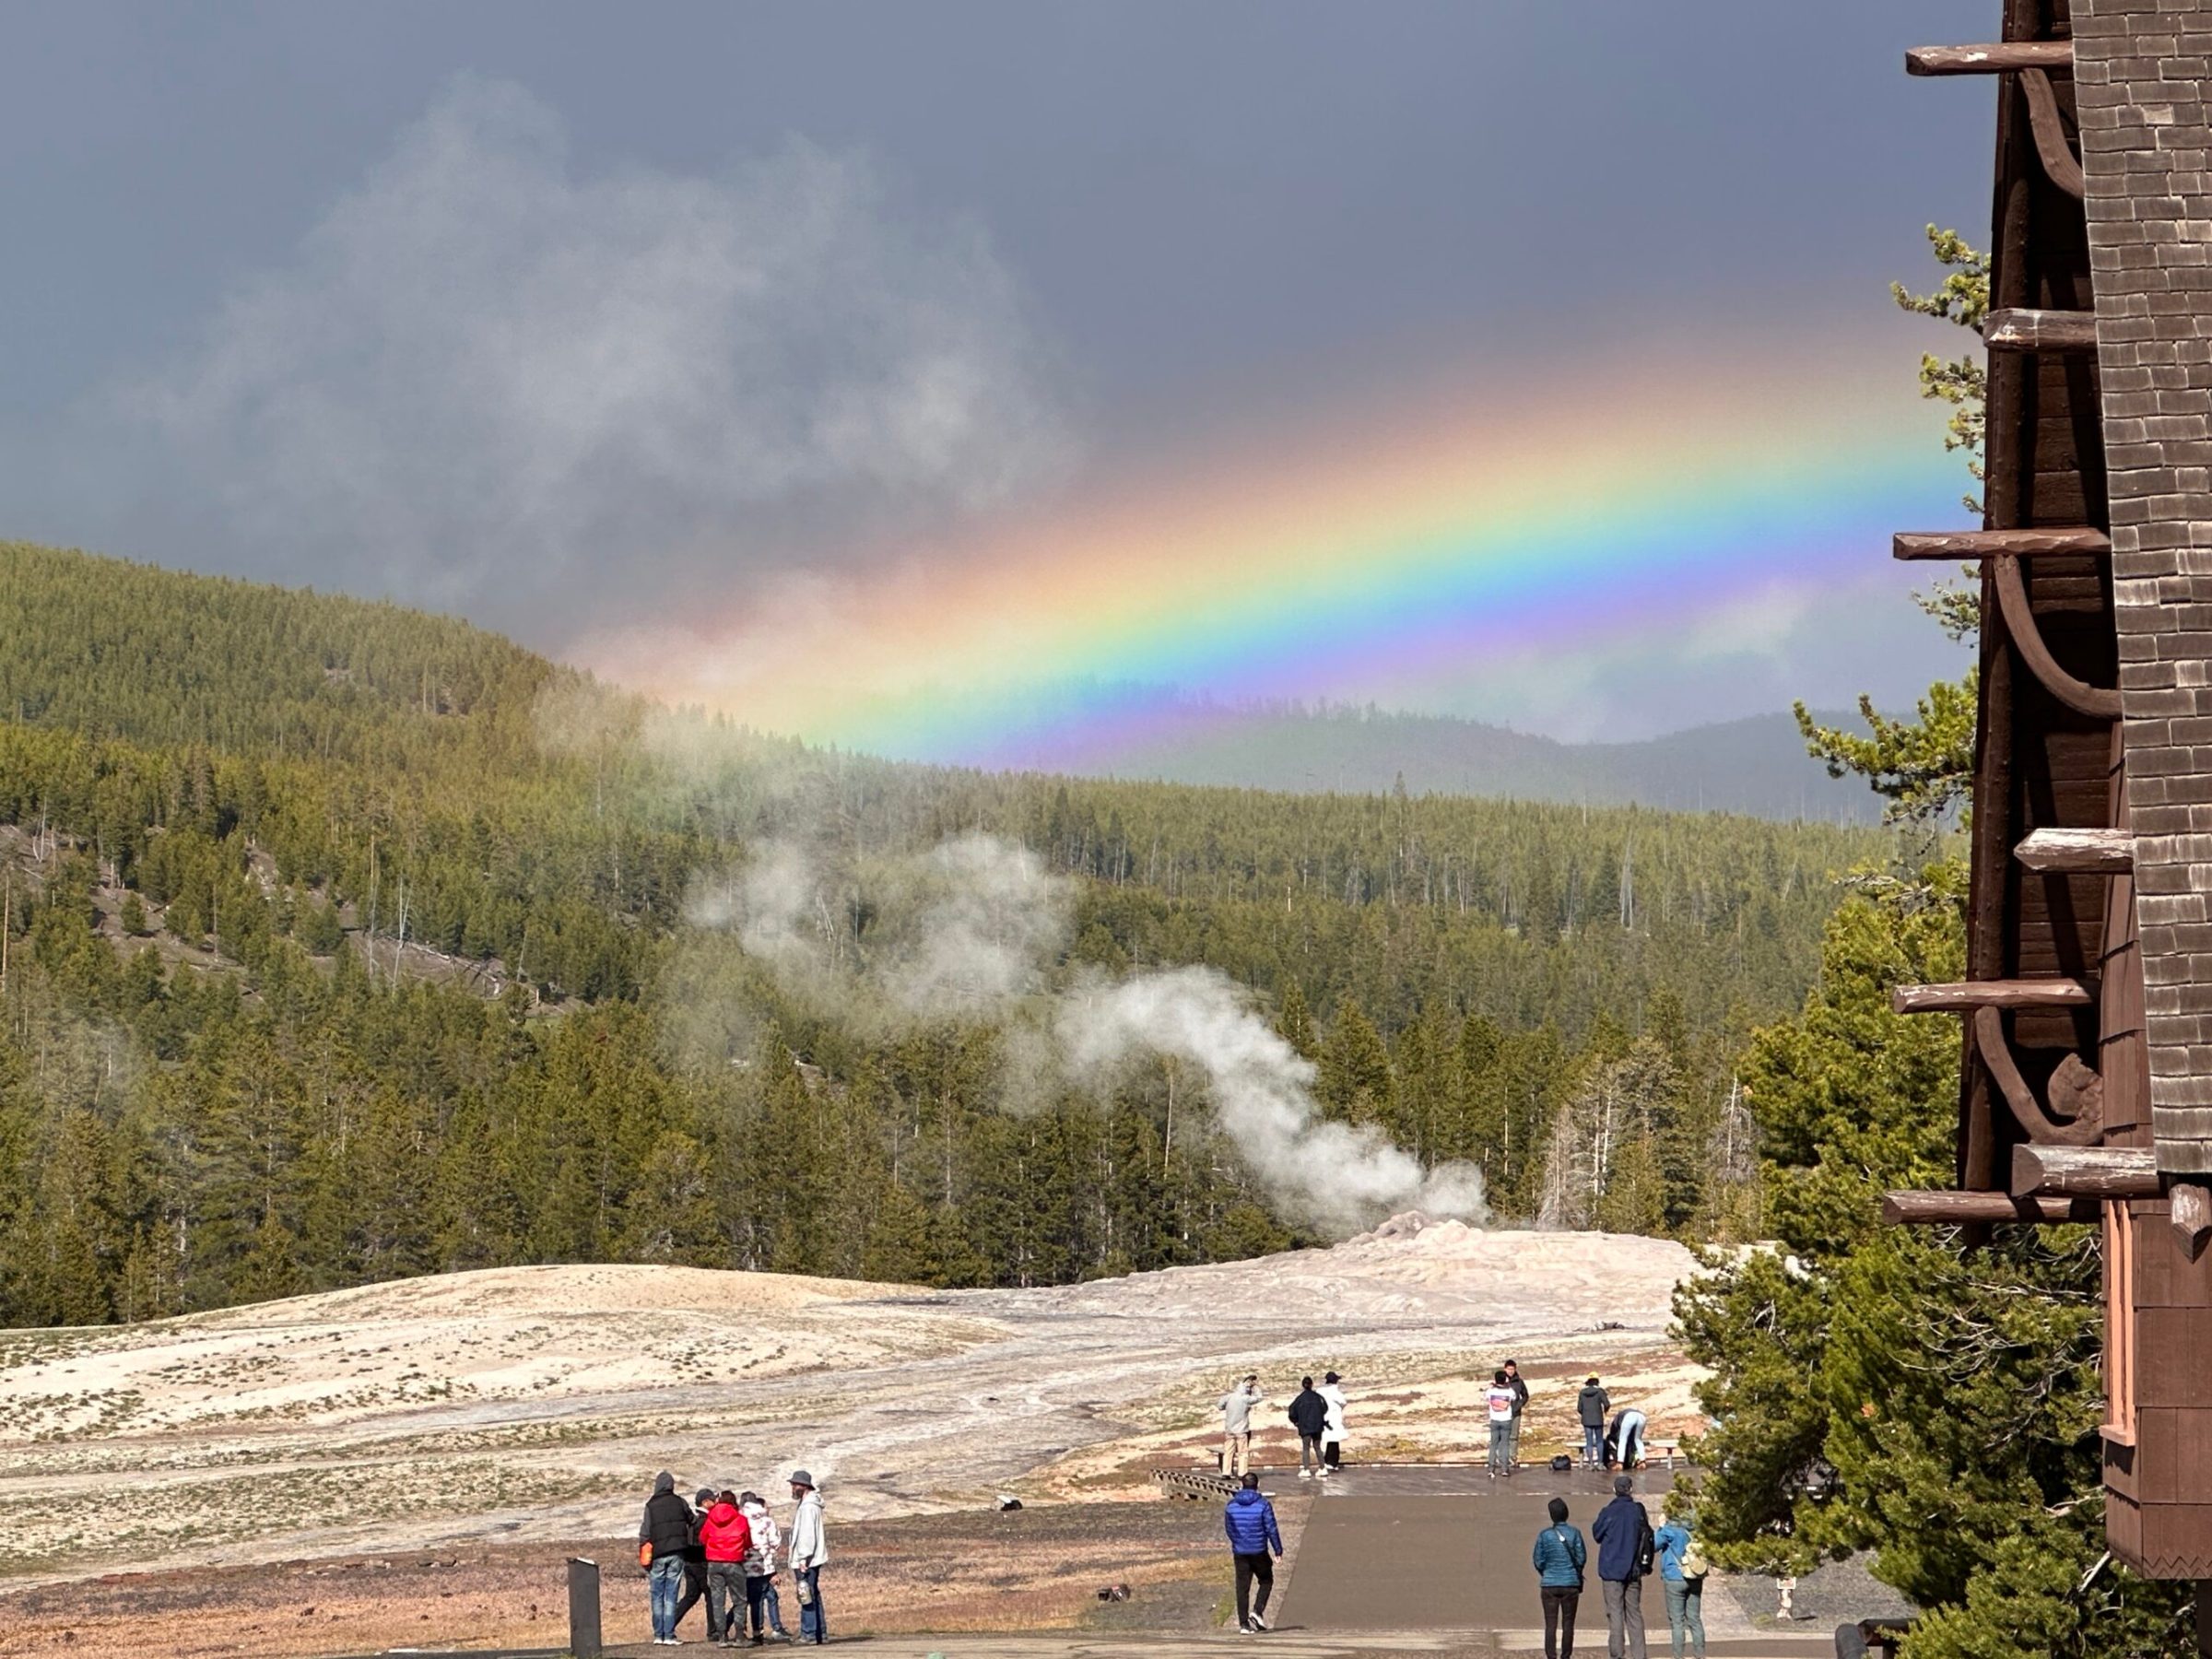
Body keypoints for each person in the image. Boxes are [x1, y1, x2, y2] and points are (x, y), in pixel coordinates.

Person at [1592, 1473, 1652, 1659]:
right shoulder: (1637, 1511)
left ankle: (1617, 1654)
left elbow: (1597, 1534)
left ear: (1614, 1491)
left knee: (1615, 1613)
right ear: (1631, 1489)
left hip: (1611, 1570)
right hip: (1634, 1569)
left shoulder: (1608, 1512)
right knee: (1634, 1613)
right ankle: (1639, 1655)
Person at [1222, 1471, 1285, 1633]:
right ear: (1257, 1485)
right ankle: (1257, 1611)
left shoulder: (1231, 1505)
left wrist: (1237, 1541)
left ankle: (1243, 1624)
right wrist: (1278, 1550)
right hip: (1259, 1550)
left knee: (1242, 1587)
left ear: (1242, 1485)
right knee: (1266, 1580)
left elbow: (1229, 1529)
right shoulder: (1263, 1504)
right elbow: (1271, 1528)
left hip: (1240, 1551)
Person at [639, 1471, 696, 1647]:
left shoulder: (651, 1505)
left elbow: (645, 1532)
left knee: (657, 1594)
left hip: (657, 1553)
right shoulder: (680, 1502)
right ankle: (669, 1634)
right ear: (671, 1485)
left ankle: (658, 1634)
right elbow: (692, 1519)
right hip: (676, 1552)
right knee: (671, 1593)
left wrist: (643, 1551)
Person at [1532, 1496, 1588, 1659]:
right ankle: (1566, 1655)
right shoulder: (1575, 1533)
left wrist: (1546, 1572)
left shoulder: (1545, 1535)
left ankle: (1551, 1655)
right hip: (1570, 1583)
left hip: (1549, 1583)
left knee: (1550, 1623)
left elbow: (1538, 1560)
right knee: (1568, 1623)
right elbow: (1581, 1557)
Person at [698, 1488, 753, 1647]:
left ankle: (722, 1637)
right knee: (740, 1599)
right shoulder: (741, 1519)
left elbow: (702, 1538)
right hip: (734, 1561)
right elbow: (748, 1542)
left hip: (714, 1562)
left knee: (717, 1600)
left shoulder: (710, 1518)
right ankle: (740, 1636)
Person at [738, 1488, 792, 1644]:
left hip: (743, 1561)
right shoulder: (766, 1521)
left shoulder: (739, 1518)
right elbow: (775, 1543)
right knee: (759, 1598)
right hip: (762, 1563)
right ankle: (760, 1632)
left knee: (746, 1599)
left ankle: (743, 1631)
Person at [1653, 1506, 1706, 1659]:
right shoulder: (1698, 1527)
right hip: (1695, 1575)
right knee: (1695, 1619)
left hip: (1674, 1576)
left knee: (1677, 1621)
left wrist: (1661, 1526)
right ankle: (1700, 1655)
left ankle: (1678, 1656)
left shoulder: (1670, 1528)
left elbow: (1655, 1545)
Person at [787, 1469, 829, 1644]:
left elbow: (807, 1535)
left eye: (795, 1485)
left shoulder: (808, 1507)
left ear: (803, 1486)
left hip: (807, 1559)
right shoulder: (809, 1505)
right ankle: (820, 1633)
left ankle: (809, 1633)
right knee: (812, 1593)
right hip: (812, 1558)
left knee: (806, 1594)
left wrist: (803, 1558)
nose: (793, 1488)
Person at [675, 1485, 714, 1637]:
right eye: (712, 1500)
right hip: (701, 1562)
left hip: (689, 1562)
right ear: (705, 1502)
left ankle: (668, 1625)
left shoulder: (692, 1520)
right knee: (710, 1595)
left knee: (691, 1596)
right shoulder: (704, 1520)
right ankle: (713, 1631)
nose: (715, 1502)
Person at [1218, 1373, 1265, 1477]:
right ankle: (1242, 1472)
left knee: (1228, 1451)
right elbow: (1259, 1398)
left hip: (1229, 1429)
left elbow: (1220, 1405)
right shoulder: (1245, 1398)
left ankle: (1226, 1472)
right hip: (1241, 1430)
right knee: (1242, 1453)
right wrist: (1256, 1387)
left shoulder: (1229, 1397)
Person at [1288, 1375, 1329, 1478]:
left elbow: (1292, 1412)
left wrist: (1296, 1422)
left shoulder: (1300, 1399)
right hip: (1318, 1426)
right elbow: (1325, 1408)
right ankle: (1323, 1468)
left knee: (1306, 1448)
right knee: (1317, 1447)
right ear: (1311, 1385)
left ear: (1303, 1385)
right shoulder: (1318, 1397)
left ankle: (1306, 1469)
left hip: (1305, 1426)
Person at [1486, 1369, 1518, 1477]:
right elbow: (1514, 1398)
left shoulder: (1490, 1391)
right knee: (1504, 1444)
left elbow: (1485, 1397)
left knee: (1493, 1445)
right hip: (1506, 1420)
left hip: (1494, 1419)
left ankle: (1491, 1469)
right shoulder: (1509, 1391)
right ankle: (1504, 1469)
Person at [1502, 1359, 1531, 1469]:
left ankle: (1512, 1458)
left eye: (1512, 1369)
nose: (1510, 1371)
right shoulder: (1501, 1380)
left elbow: (1525, 1395)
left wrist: (1519, 1405)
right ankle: (1503, 1458)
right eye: (1508, 1369)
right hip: (1503, 1413)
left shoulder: (1519, 1381)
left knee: (1514, 1436)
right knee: (1503, 1436)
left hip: (1515, 1412)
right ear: (1505, 1369)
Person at [1577, 1377, 1611, 1468]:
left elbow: (1579, 1408)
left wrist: (1585, 1413)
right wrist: (1605, 1411)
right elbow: (1607, 1404)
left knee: (1589, 1442)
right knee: (1599, 1441)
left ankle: (1590, 1464)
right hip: (1598, 1419)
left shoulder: (1582, 1392)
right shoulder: (1600, 1391)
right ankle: (1600, 1464)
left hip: (1586, 1420)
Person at [1319, 1371, 1347, 1473]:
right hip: (1333, 1419)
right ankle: (1332, 1463)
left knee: (1325, 1440)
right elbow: (1344, 1402)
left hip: (1322, 1419)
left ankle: (1326, 1461)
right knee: (1334, 1441)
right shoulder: (1336, 1393)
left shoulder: (1320, 1391)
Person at [1604, 1406, 1648, 1472]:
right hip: (1642, 1417)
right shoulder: (1623, 1413)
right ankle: (1642, 1462)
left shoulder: (1616, 1420)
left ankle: (1620, 1463)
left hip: (1629, 1418)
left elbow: (1616, 1433)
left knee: (1622, 1440)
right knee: (1638, 1440)